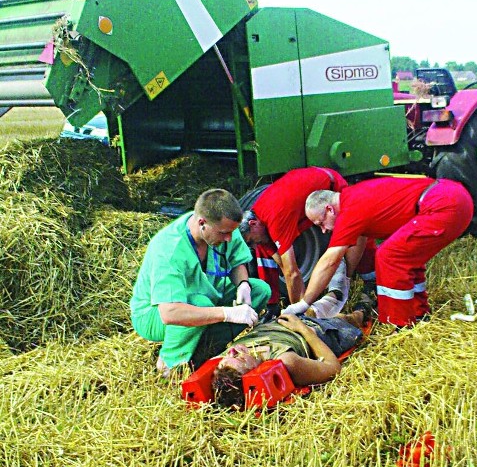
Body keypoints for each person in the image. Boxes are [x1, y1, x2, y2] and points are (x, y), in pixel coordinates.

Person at [282, 176, 474, 327]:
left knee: (390, 257)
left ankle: (399, 324)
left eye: (321, 223)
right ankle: (418, 312)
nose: (323, 229)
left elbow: (329, 261)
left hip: (444, 204)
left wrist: (304, 303)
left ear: (330, 209)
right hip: (452, 196)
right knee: (406, 254)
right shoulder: (354, 196)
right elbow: (360, 244)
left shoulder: (350, 212)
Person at [130, 189, 271, 377]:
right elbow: (170, 312)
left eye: (232, 232)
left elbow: (237, 260)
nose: (229, 238)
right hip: (153, 314)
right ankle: (169, 365)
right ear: (202, 223)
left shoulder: (224, 227)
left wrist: (243, 284)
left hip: (203, 293)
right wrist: (227, 313)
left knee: (260, 290)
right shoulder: (169, 249)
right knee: (200, 302)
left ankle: (204, 349)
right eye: (224, 233)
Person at [239, 167, 377, 312]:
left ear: (253, 224)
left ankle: (351, 282)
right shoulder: (258, 225)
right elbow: (283, 267)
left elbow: (292, 273)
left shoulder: (275, 220)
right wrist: (274, 305)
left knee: (353, 232)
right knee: (269, 253)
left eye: (250, 241)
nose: (254, 247)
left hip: (328, 183)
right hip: (301, 184)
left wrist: (297, 312)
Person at [211, 307, 368, 409]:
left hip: (273, 322)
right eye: (240, 358)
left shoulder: (225, 363)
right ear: (253, 372)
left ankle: (316, 309)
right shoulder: (285, 360)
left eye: (227, 356)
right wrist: (302, 329)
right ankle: (363, 309)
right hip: (310, 329)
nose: (232, 351)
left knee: (311, 309)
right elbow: (333, 368)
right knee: (348, 320)